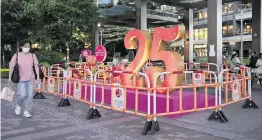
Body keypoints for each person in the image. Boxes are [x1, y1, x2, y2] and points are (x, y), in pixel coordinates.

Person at [8, 41, 40, 118]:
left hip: (30, 78)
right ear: (21, 47)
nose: (27, 48)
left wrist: (38, 77)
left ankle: (26, 111)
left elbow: (36, 66)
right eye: (25, 46)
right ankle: (19, 105)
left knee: (29, 95)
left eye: (28, 46)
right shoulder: (16, 55)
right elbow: (12, 67)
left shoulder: (32, 56)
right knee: (23, 94)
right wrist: (9, 78)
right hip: (21, 79)